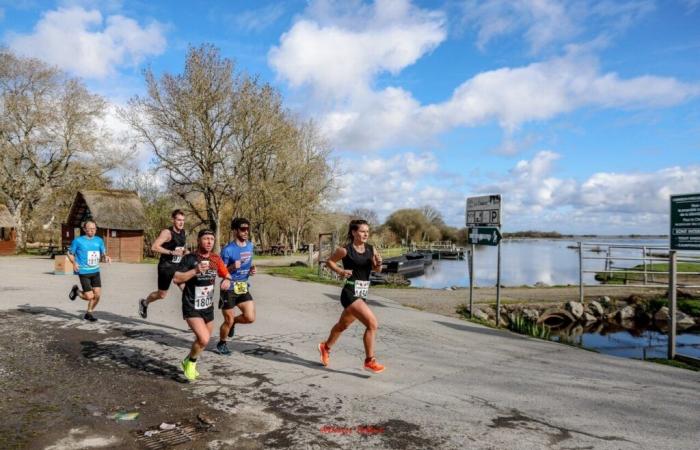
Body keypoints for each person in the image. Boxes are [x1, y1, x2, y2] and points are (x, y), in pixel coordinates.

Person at [319, 219, 385, 373]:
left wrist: (379, 263)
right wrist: (341, 272)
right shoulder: (345, 250)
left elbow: (376, 270)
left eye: (367, 231)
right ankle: (370, 361)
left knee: (342, 326)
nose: (366, 234)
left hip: (362, 293)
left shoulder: (371, 249)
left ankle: (325, 347)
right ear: (354, 232)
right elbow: (329, 262)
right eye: (362, 231)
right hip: (349, 292)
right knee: (372, 324)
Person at [173, 229, 232, 381]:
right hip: (191, 305)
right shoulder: (190, 258)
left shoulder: (215, 259)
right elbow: (177, 278)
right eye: (206, 239)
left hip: (207, 306)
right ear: (199, 240)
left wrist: (226, 279)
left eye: (211, 239)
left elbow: (226, 274)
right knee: (204, 339)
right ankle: (191, 363)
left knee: (203, 341)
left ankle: (187, 360)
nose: (209, 242)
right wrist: (195, 270)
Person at [216, 218, 257, 355]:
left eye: (247, 229)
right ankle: (222, 343)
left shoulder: (250, 246)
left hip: (242, 286)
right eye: (242, 229)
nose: (246, 232)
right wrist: (233, 267)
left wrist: (251, 270)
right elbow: (220, 271)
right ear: (235, 231)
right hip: (229, 288)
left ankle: (234, 323)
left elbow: (248, 264)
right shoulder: (228, 250)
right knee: (228, 320)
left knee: (250, 317)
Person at [138, 209, 188, 319]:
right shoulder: (167, 233)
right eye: (179, 220)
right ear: (173, 220)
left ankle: (190, 315)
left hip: (178, 267)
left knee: (187, 290)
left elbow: (180, 248)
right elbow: (154, 247)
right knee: (161, 295)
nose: (181, 222)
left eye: (183, 220)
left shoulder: (183, 232)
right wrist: (171, 252)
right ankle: (144, 303)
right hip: (166, 267)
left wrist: (185, 252)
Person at [67, 220, 112, 321]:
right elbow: (70, 253)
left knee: (97, 295)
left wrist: (106, 256)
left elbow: (103, 252)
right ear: (84, 229)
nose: (92, 231)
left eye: (94, 229)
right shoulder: (78, 241)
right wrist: (74, 263)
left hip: (95, 271)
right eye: (89, 229)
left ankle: (89, 313)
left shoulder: (99, 240)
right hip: (84, 272)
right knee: (89, 296)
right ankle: (76, 291)